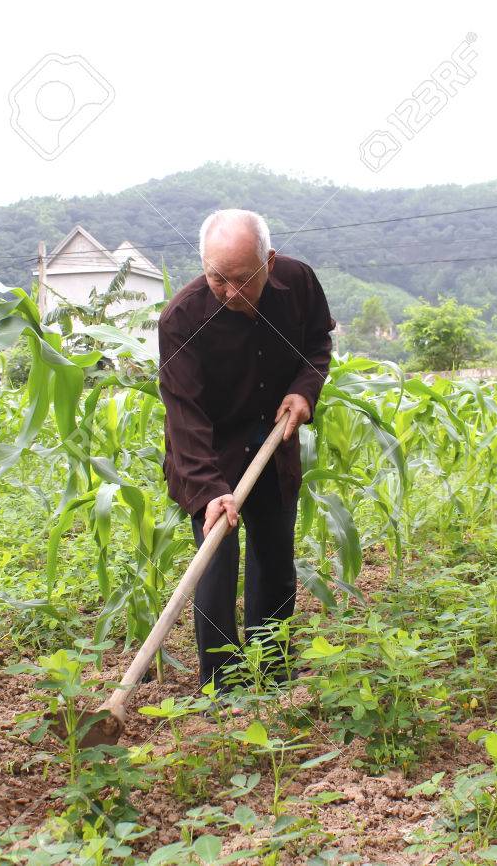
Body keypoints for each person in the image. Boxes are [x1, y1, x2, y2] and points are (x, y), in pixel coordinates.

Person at [157, 209, 335, 690]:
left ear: (270, 261)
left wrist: (304, 390)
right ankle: (221, 682)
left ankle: (272, 670)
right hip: (207, 453)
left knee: (274, 558)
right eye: (218, 278)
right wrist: (211, 489)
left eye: (242, 279)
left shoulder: (298, 283)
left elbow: (318, 344)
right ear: (203, 266)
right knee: (215, 562)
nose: (230, 293)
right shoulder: (182, 319)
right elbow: (184, 414)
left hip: (274, 442)